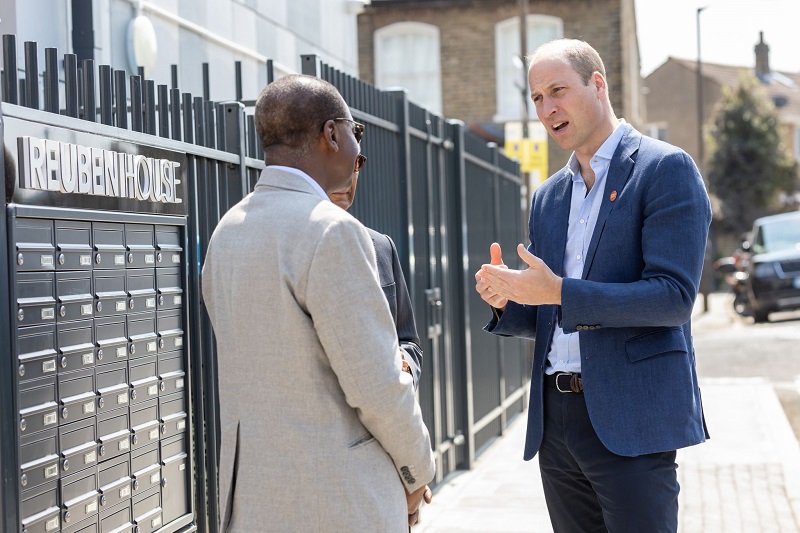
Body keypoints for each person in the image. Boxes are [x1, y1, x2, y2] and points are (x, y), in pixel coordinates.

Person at [475, 39, 711, 532]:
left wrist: (558, 291)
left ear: (598, 84)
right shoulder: (548, 196)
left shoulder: (665, 169)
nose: (547, 108)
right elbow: (548, 309)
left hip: (630, 421)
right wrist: (509, 300)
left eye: (558, 90)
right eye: (537, 98)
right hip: (555, 424)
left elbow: (672, 298)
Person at [202, 74, 435, 532]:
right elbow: (379, 387)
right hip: (338, 502)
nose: (355, 146)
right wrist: (417, 472)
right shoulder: (331, 231)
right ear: (331, 134)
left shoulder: (227, 231)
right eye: (355, 132)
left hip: (252, 503)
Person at [328, 155, 424, 389]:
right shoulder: (294, 248)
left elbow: (409, 341)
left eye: (355, 163)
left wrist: (405, 365)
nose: (347, 174)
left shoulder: (382, 246)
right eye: (336, 161)